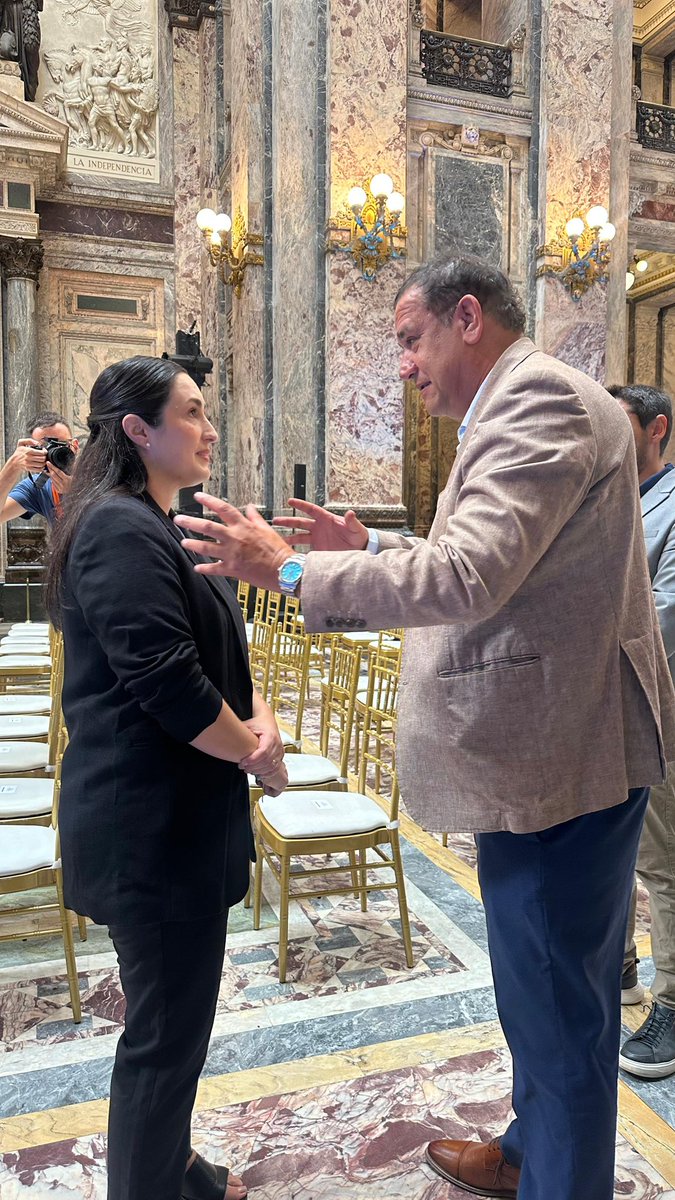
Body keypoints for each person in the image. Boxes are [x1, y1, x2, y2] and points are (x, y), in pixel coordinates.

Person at [174, 255, 675, 1200]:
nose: (401, 364)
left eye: (410, 339)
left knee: (561, 1010)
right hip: (543, 752)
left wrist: (286, 571)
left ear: (468, 318)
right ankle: (531, 1152)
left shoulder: (540, 403)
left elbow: (470, 579)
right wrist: (369, 548)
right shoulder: (519, 401)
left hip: (559, 758)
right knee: (541, 996)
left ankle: (559, 1178)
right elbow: (498, 562)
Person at [45, 356, 288, 1200]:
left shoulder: (160, 521)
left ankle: (177, 1172)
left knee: (176, 1028)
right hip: (148, 832)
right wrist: (254, 754)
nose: (210, 427)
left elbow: (220, 644)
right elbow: (168, 683)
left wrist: (261, 715)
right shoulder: (117, 526)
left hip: (177, 822)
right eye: (191, 413)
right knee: (161, 1037)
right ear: (138, 431)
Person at [608, 382, 675, 1079]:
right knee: (613, 849)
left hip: (661, 709)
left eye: (617, 424)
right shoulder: (610, 499)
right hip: (605, 712)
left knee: (662, 861)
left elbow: (664, 618)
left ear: (655, 429)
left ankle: (673, 1003)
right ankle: (621, 966)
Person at [0, 410, 79, 524]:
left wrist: (76, 490)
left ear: (75, 446)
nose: (56, 453)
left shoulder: (97, 475)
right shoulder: (39, 485)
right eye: (46, 448)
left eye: (62, 446)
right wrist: (13, 465)